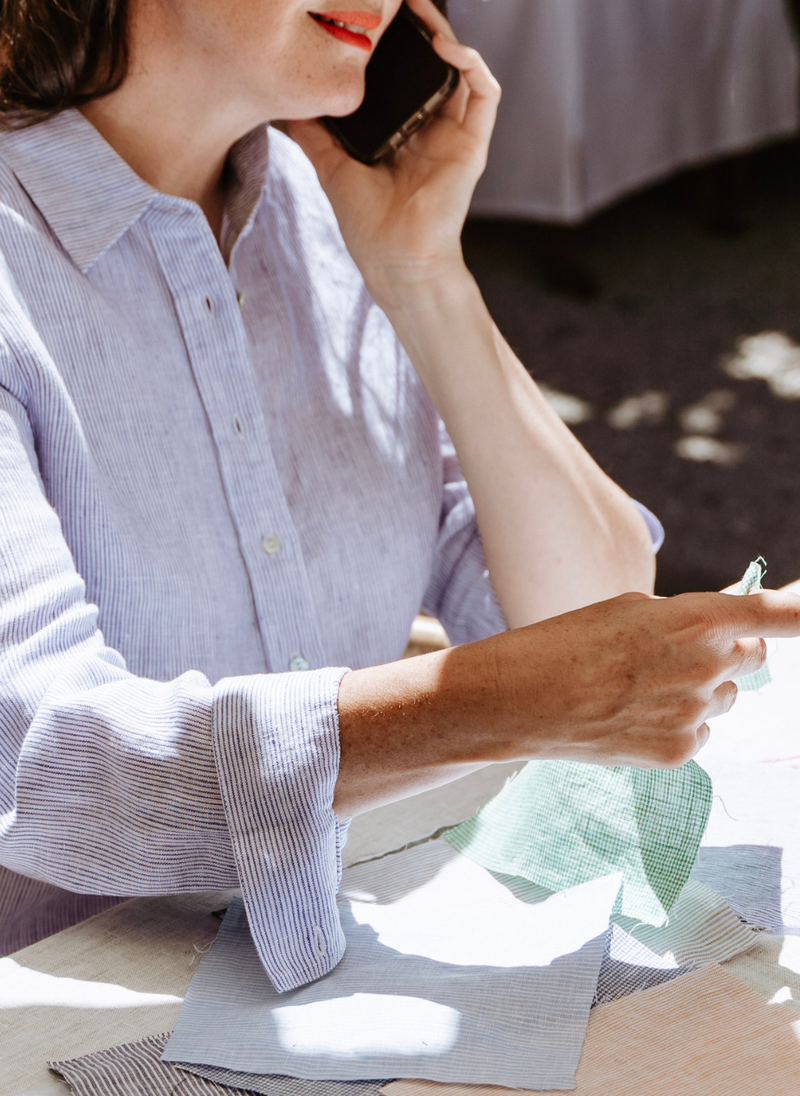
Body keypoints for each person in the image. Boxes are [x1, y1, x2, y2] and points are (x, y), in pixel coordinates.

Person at [0, 0, 798, 984]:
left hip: (343, 992)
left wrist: (425, 275)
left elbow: (583, 612)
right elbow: (48, 764)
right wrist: (477, 705)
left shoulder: (319, 201)